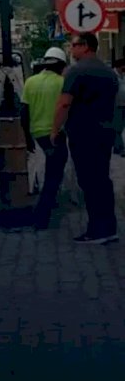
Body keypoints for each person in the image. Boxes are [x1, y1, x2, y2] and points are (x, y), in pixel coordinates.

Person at [50, 32, 120, 244]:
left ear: (86, 46)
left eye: (74, 45)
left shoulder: (76, 72)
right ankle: (109, 226)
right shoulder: (109, 73)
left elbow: (64, 103)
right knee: (102, 179)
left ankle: (97, 230)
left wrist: (55, 129)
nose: (71, 50)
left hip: (84, 133)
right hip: (106, 132)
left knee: (89, 180)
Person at [21, 47, 67, 230]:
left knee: (49, 173)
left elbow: (23, 112)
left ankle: (45, 208)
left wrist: (28, 138)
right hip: (56, 134)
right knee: (53, 176)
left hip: (37, 134)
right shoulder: (62, 83)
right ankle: (42, 216)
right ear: (61, 65)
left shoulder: (30, 82)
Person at [113, 58, 125, 157]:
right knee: (117, 128)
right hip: (116, 106)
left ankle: (117, 147)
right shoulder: (112, 75)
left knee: (120, 129)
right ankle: (120, 148)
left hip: (124, 105)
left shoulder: (124, 75)